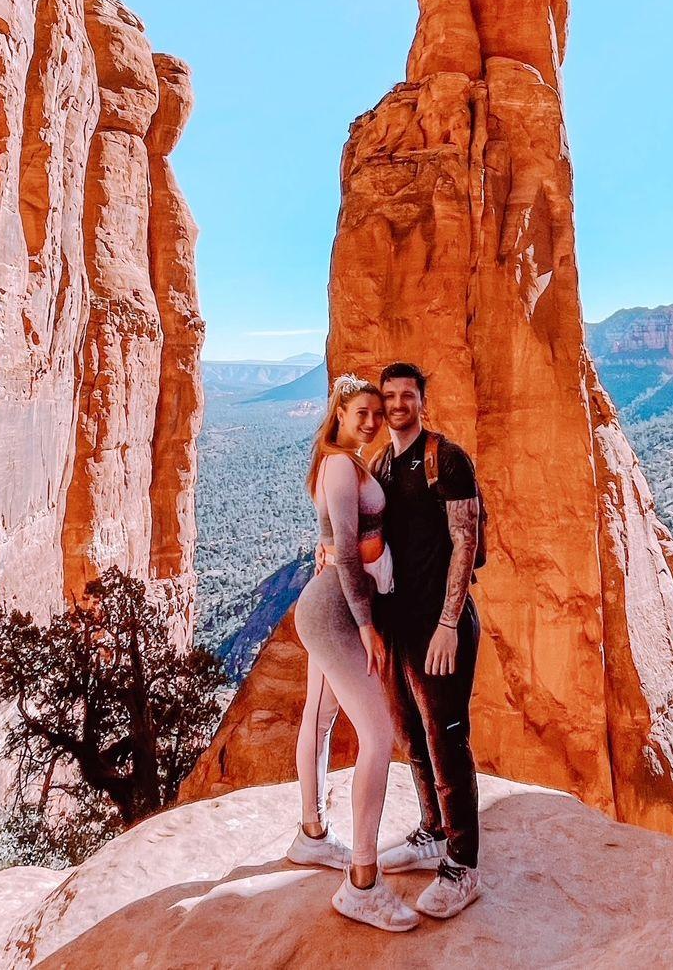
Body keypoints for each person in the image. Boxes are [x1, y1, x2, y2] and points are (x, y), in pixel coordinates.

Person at [286, 375, 419, 933]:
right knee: (379, 736)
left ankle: (311, 835)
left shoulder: (343, 461)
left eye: (376, 414)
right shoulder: (341, 466)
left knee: (319, 719)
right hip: (336, 612)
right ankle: (362, 884)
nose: (371, 421)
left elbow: (338, 541)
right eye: (360, 412)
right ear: (339, 412)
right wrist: (366, 625)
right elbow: (344, 548)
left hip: (329, 605)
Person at [373, 361, 483, 919]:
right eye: (390, 396)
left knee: (447, 739)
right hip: (399, 625)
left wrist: (448, 623)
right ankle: (433, 831)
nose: (399, 404)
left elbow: (466, 542)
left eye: (407, 395)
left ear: (422, 400)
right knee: (411, 735)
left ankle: (463, 864)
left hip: (441, 625)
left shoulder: (447, 459)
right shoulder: (381, 465)